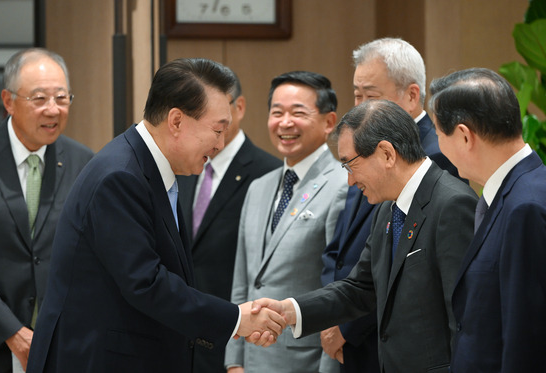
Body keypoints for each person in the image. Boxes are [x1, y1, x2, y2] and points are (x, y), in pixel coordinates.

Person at [26, 58, 286, 373]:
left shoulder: (149, 168)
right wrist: (236, 319)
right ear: (176, 121)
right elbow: (146, 283)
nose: (219, 144)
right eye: (217, 130)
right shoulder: (120, 176)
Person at [252, 99, 478, 373]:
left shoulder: (452, 204)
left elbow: (467, 317)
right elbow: (360, 288)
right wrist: (290, 310)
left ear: (386, 154)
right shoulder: (387, 208)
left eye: (350, 165)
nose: (349, 181)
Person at [320, 37, 460, 373]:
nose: (360, 105)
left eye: (371, 96)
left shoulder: (436, 157)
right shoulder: (361, 144)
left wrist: (347, 326)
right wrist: (325, 314)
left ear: (412, 95)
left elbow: (436, 291)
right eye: (356, 95)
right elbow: (340, 250)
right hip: (357, 329)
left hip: (386, 340)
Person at [225, 71, 348, 372]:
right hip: (250, 362)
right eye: (276, 112)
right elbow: (243, 282)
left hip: (304, 362)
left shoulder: (343, 185)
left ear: (329, 122)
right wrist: (234, 360)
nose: (285, 123)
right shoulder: (259, 187)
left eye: (298, 113)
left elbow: (339, 291)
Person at [429, 68, 546, 372]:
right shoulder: (515, 190)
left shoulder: (526, 207)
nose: (437, 144)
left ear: (465, 136)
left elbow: (527, 338)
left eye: (439, 133)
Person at [0, 48, 93, 373]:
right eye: (39, 99)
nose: (53, 109)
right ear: (8, 101)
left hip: (63, 348)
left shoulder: (84, 163)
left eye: (62, 98)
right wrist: (13, 333)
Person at [177, 68, 281, 372]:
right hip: (178, 337)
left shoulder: (267, 173)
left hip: (231, 338)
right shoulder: (182, 165)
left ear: (239, 107)